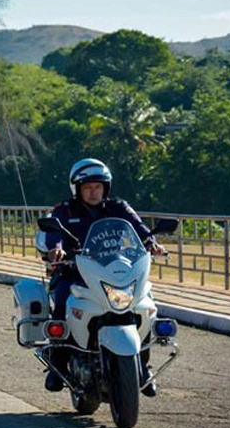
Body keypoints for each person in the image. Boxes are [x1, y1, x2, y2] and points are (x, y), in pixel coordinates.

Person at [42, 158, 166, 395]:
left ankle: (143, 366)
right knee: (61, 303)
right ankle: (57, 365)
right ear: (77, 189)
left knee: (145, 303)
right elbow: (53, 232)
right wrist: (55, 248)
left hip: (116, 273)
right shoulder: (64, 210)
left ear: (105, 187)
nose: (93, 192)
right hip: (75, 274)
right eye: (87, 187)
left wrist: (151, 242)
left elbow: (139, 228)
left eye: (98, 186)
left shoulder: (118, 208)